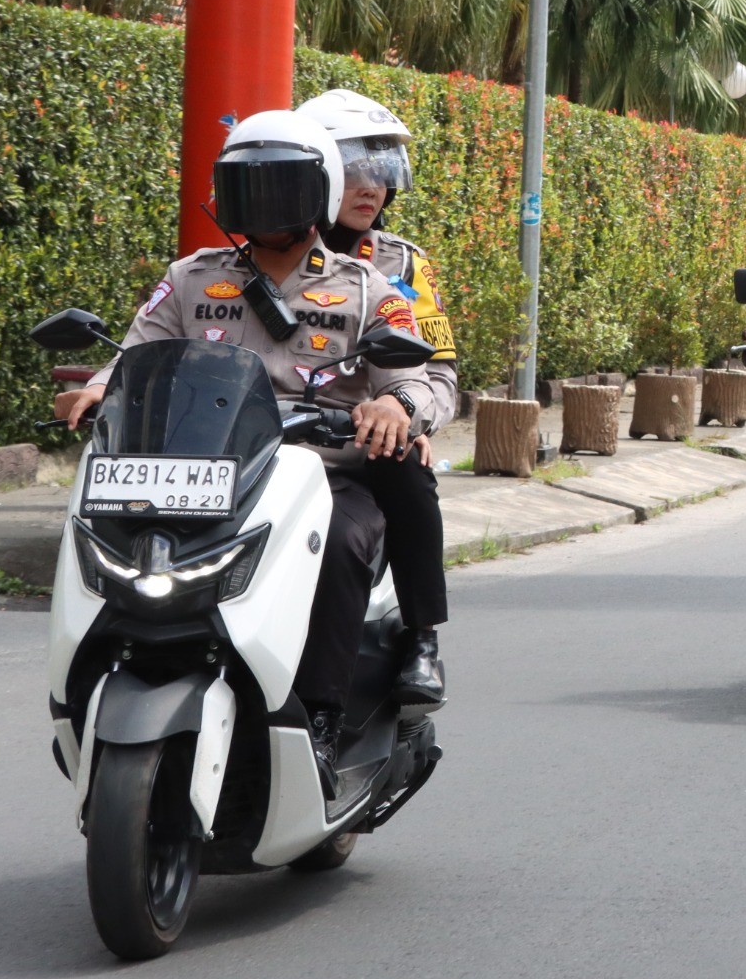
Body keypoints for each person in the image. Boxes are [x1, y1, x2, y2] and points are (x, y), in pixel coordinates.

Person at [54, 112, 446, 781]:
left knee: (349, 544)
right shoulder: (191, 279)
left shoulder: (365, 290)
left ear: (313, 193)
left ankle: (322, 719)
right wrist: (98, 387)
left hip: (315, 471)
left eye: (282, 185)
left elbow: (422, 377)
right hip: (201, 469)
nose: (264, 201)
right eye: (249, 185)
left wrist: (393, 404)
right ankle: (90, 685)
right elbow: (139, 347)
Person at [299, 87, 455, 706]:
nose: (372, 190)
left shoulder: (402, 266)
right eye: (355, 172)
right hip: (255, 437)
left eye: (384, 175)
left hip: (357, 442)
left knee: (408, 469)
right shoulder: (244, 259)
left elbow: (438, 372)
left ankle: (421, 636)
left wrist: (404, 413)